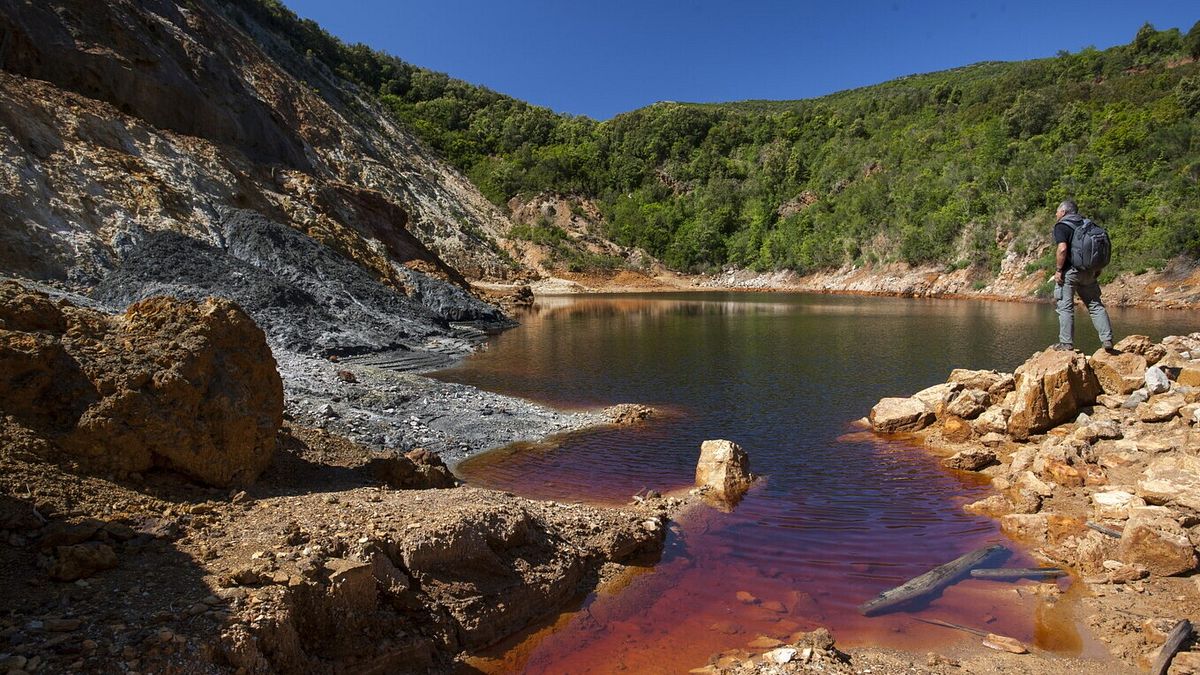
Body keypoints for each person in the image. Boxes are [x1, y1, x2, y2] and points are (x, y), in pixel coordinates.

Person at [1051, 199, 1114, 352]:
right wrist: (1097, 267)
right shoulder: (1088, 224)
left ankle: (1066, 344)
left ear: (1064, 212)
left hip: (1070, 273)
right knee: (1095, 305)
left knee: (1065, 307)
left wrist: (1059, 270)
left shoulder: (1062, 226)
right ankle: (1107, 340)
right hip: (1089, 271)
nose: (1056, 214)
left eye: (1058, 211)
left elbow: (1062, 249)